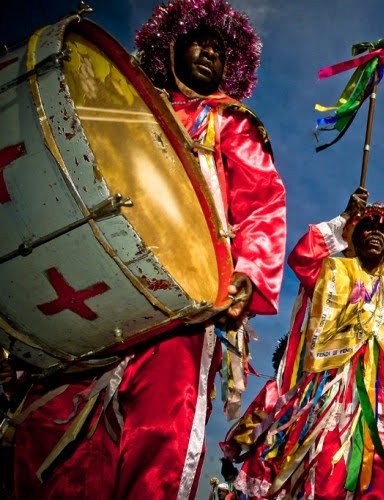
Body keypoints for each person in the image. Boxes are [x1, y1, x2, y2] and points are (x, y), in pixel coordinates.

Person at [10, 0, 286, 498]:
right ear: (172, 47)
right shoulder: (121, 106)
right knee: (55, 430)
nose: (210, 54)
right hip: (97, 279)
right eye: (200, 42)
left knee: (160, 433)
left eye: (220, 50)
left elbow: (263, 203)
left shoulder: (230, 122)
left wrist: (248, 271)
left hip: (187, 301)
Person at [230, 187, 384, 499]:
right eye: (367, 226)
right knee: (324, 469)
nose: (375, 232)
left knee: (377, 477)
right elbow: (302, 258)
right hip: (329, 387)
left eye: (382, 229)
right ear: (354, 237)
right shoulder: (333, 270)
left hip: (379, 400)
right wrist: (344, 217)